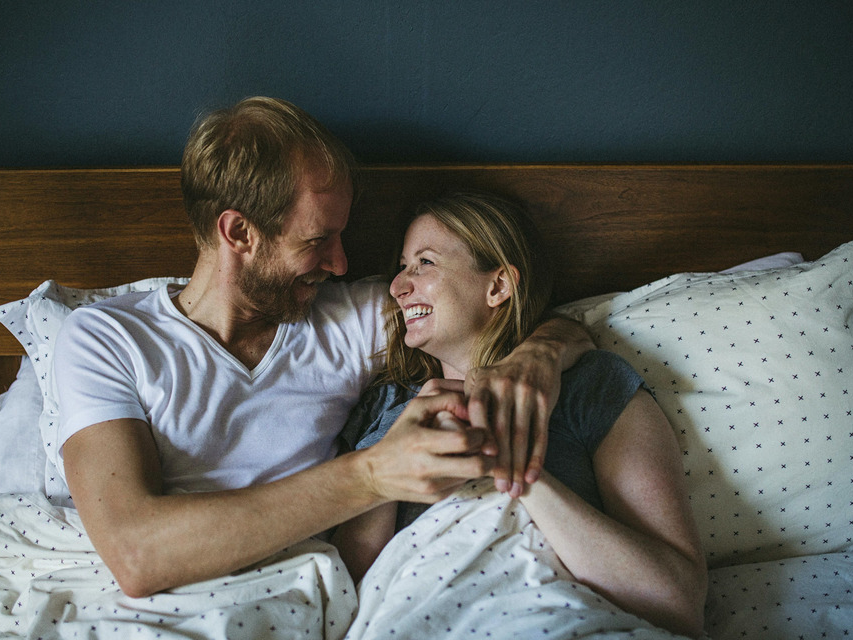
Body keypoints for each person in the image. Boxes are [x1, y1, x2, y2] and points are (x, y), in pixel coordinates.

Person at [50, 97, 595, 599]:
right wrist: (373, 473)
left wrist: (537, 357)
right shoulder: (107, 338)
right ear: (239, 232)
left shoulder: (353, 318)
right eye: (317, 242)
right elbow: (136, 556)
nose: (340, 264)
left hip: (307, 602)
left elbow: (505, 314)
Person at [332, 192, 707, 638]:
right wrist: (398, 452)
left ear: (498, 286)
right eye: (402, 265)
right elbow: (351, 588)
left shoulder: (591, 385)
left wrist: (509, 462)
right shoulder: (384, 405)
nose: (396, 286)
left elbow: (678, 602)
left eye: (424, 263)